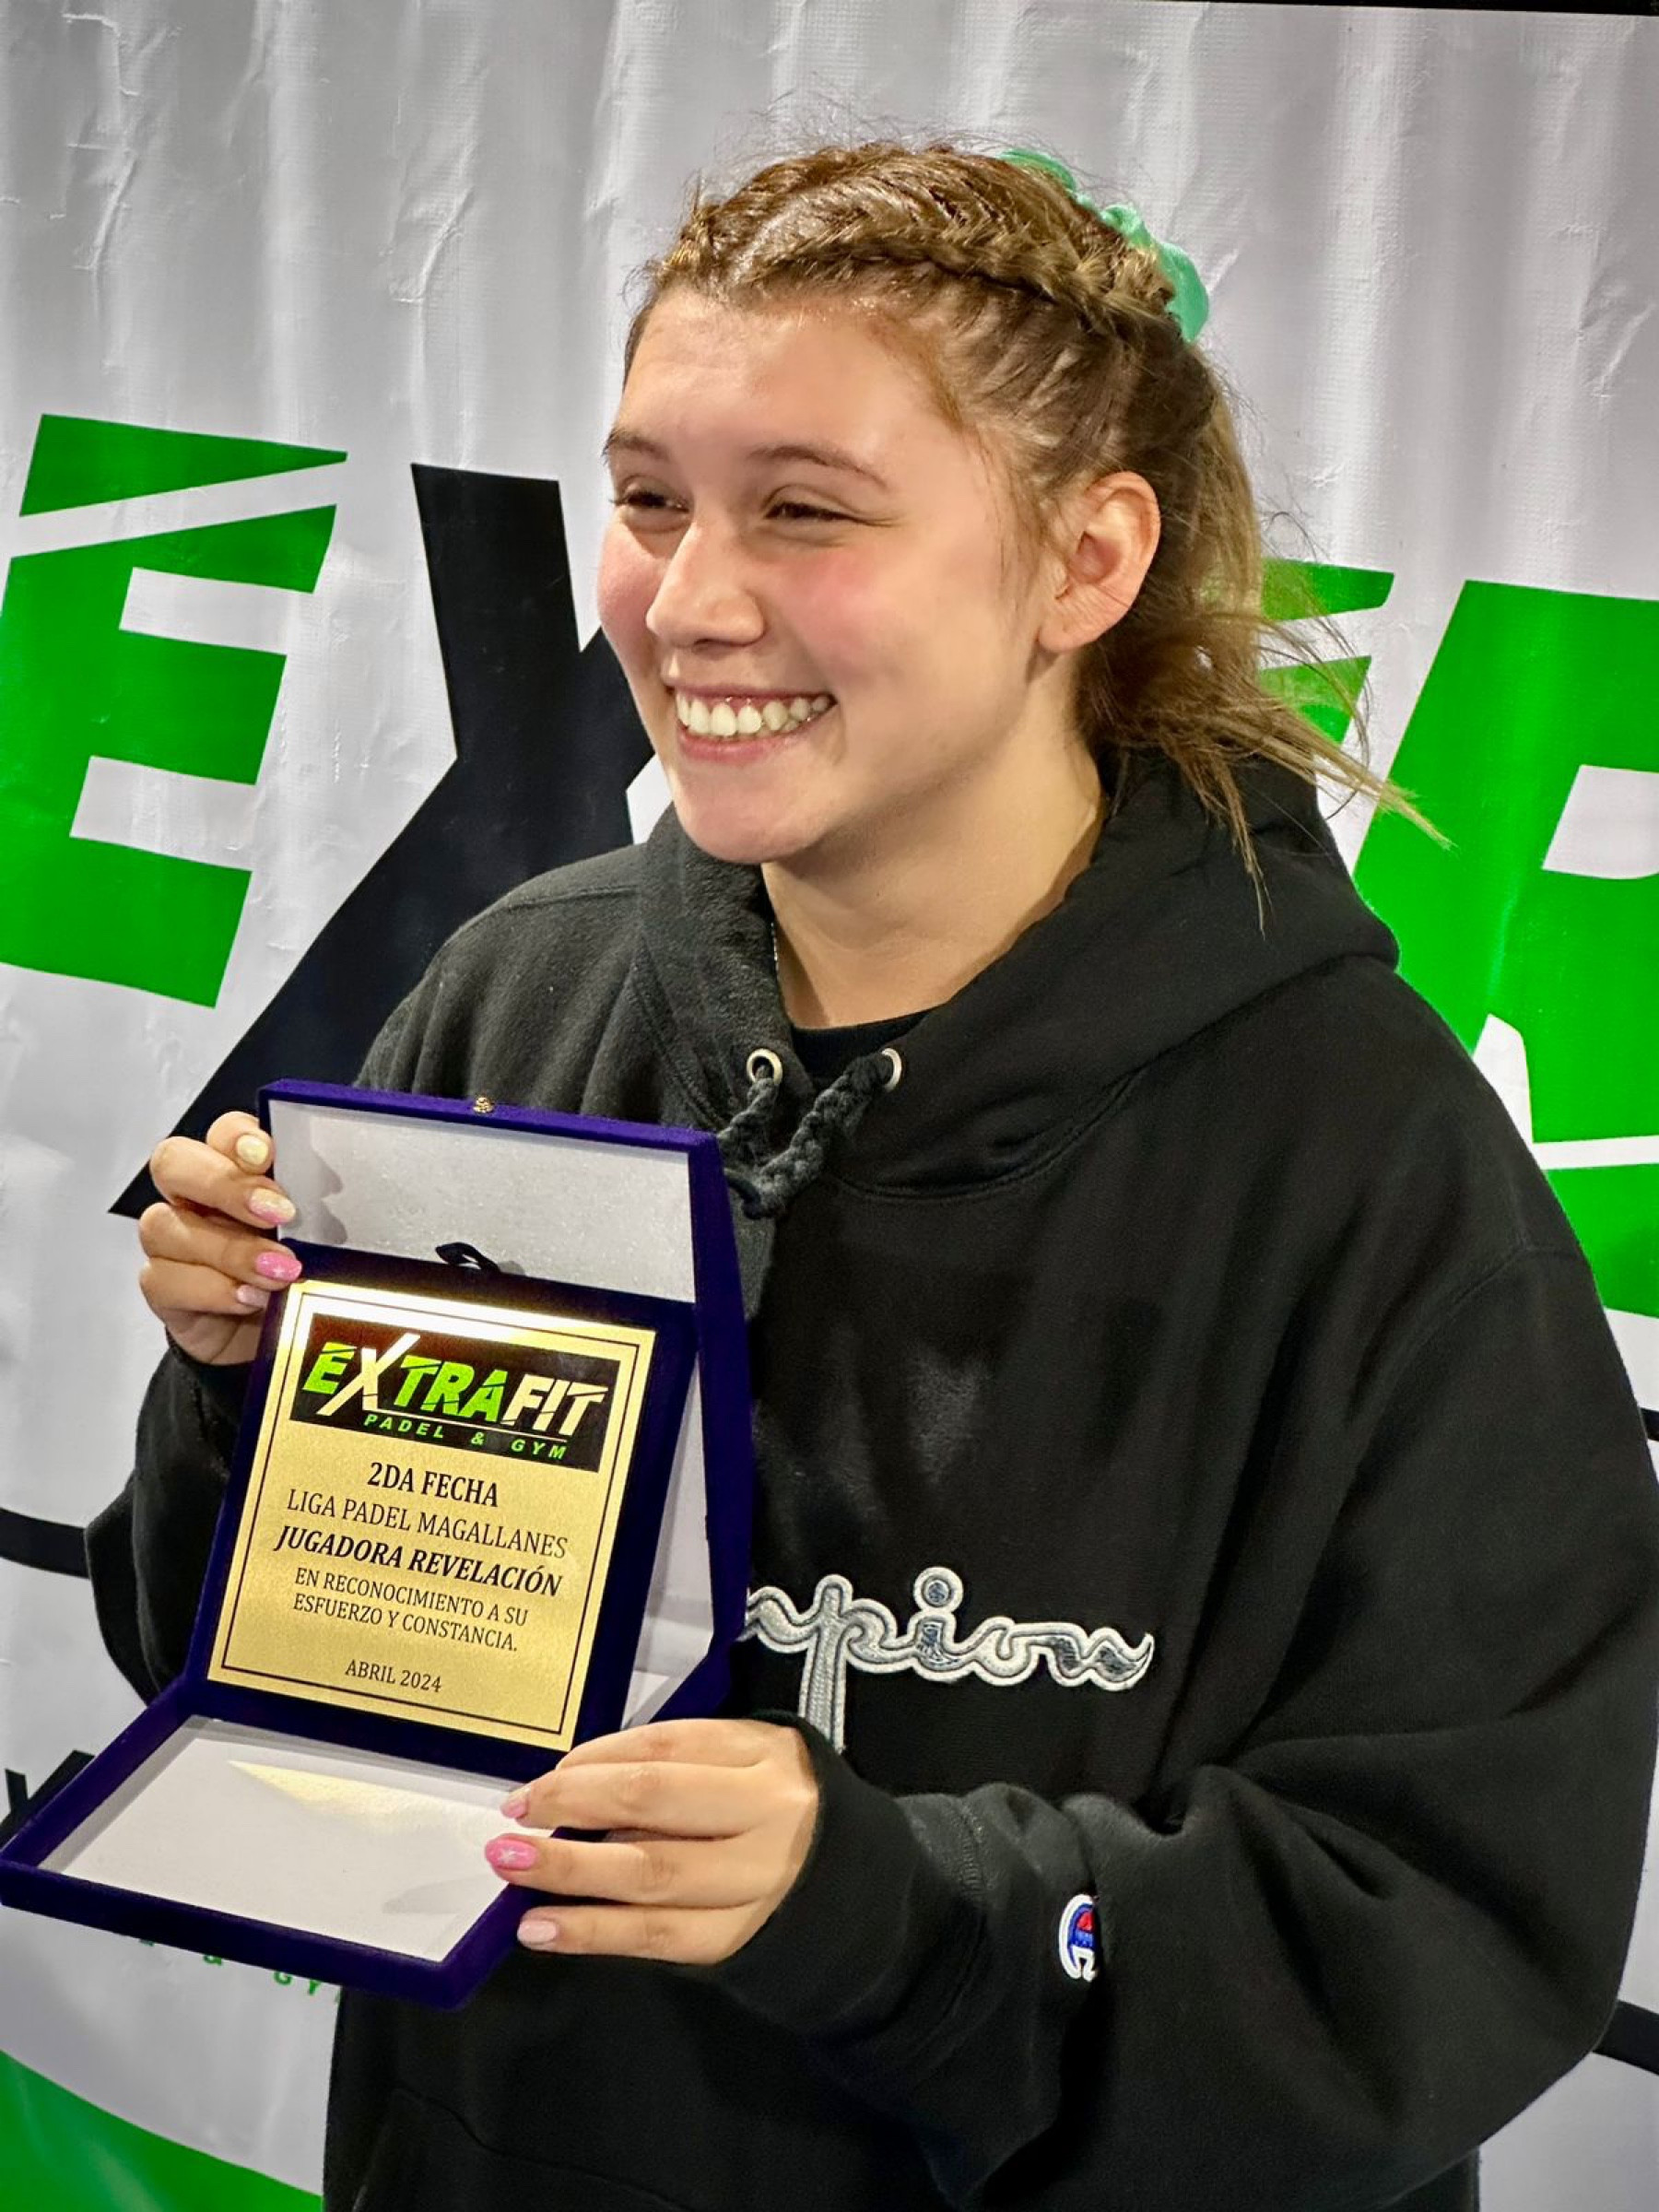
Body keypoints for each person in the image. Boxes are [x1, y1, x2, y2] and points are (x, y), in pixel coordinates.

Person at [89, 142, 1658, 2212]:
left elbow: (1443, 1938)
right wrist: (248, 1388)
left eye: (805, 510)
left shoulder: (1364, 1164)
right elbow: (227, 1667)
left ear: (1086, 560)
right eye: (650, 499)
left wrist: (896, 1911)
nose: (688, 601)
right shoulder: (520, 995)